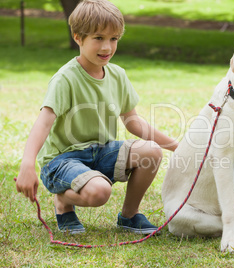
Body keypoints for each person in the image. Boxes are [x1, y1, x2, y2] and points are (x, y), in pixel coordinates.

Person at [16, 0, 178, 235]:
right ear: (78, 37)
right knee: (100, 192)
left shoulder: (118, 75)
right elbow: (43, 122)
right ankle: (62, 202)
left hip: (101, 151)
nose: (107, 47)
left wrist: (177, 146)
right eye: (99, 38)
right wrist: (27, 164)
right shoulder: (65, 79)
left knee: (151, 151)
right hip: (62, 160)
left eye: (114, 39)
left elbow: (132, 121)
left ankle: (129, 216)